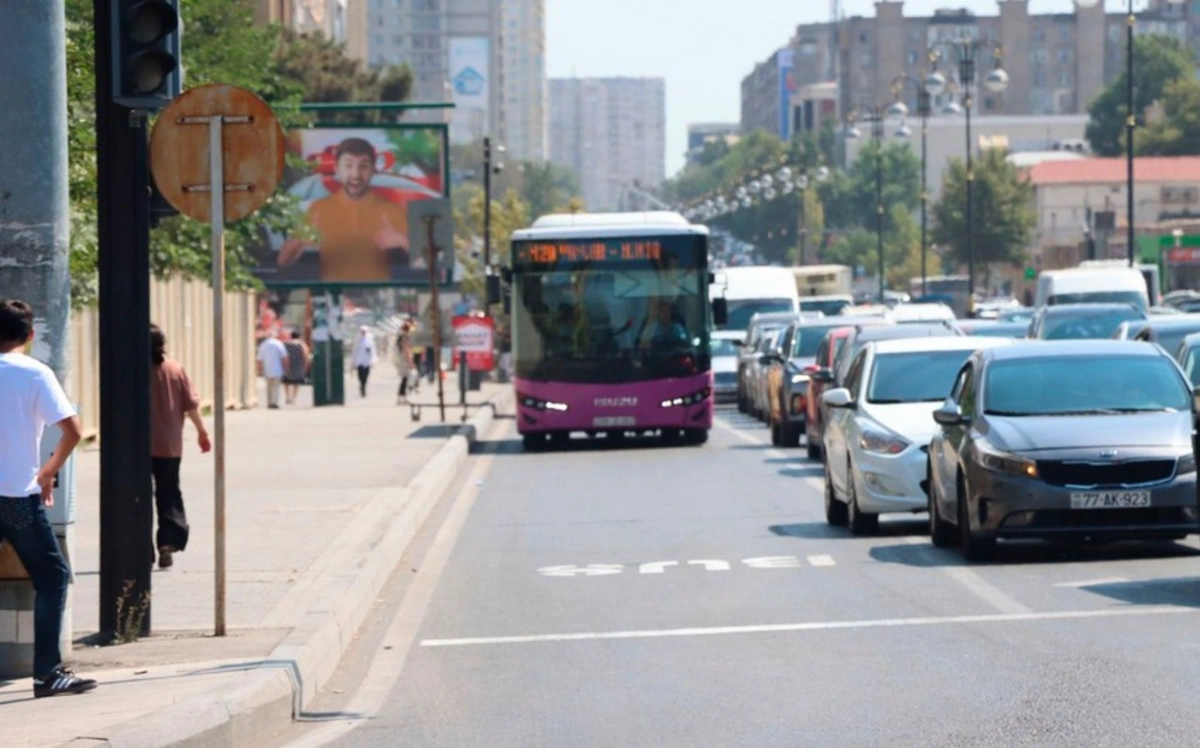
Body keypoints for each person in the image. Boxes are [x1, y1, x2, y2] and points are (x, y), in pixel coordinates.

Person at [0, 300, 96, 697]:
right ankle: (47, 673)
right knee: (53, 577)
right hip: (17, 498)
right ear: (31, 335)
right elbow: (72, 430)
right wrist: (48, 471)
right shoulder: (36, 374)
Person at [277, 138, 410, 283]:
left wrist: (401, 240)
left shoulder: (389, 209)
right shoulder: (319, 208)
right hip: (333, 296)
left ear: (373, 170)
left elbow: (429, 261)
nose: (356, 174)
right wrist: (300, 240)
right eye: (348, 165)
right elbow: (283, 261)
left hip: (380, 298)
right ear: (336, 169)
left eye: (363, 166)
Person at [149, 324, 211, 570]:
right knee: (169, 493)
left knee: (138, 498)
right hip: (169, 445)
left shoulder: (133, 370)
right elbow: (191, 405)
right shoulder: (175, 369)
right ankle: (167, 542)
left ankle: (140, 548)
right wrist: (202, 431)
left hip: (139, 448)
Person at [257, 331, 288, 409]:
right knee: (276, 387)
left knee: (269, 387)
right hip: (277, 369)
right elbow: (284, 357)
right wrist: (285, 368)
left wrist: (260, 370)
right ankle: (274, 402)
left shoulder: (263, 345)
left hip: (267, 369)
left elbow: (259, 359)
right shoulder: (279, 344)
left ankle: (270, 402)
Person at [282, 331, 311, 406]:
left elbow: (283, 355)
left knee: (286, 382)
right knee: (296, 382)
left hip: (288, 365)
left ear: (291, 336)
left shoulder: (286, 344)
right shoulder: (302, 344)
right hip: (298, 365)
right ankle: (293, 398)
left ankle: (287, 397)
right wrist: (306, 366)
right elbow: (306, 355)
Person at [392, 322, 414, 405]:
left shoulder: (400, 337)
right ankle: (402, 397)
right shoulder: (405, 337)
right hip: (405, 360)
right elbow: (406, 350)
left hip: (401, 360)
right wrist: (410, 362)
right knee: (405, 379)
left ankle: (401, 398)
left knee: (404, 379)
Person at [351, 326, 377, 397]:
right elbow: (354, 352)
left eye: (364, 331)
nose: (363, 333)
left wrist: (373, 360)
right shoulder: (357, 341)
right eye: (362, 331)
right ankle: (362, 385)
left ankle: (363, 387)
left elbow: (373, 352)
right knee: (360, 376)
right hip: (359, 362)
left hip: (367, 362)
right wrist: (353, 361)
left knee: (366, 376)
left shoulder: (370, 341)